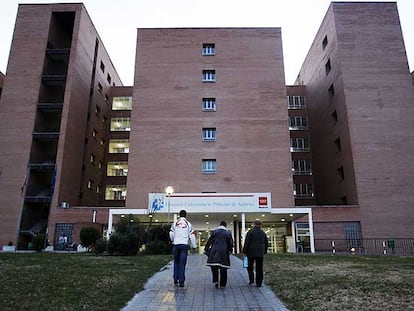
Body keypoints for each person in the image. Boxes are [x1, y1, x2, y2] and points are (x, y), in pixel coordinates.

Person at [169, 209, 197, 287]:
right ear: (185, 215)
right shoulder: (188, 224)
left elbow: (171, 233)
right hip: (184, 245)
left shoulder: (175, 223)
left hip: (176, 244)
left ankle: (175, 279)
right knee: (182, 263)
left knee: (176, 262)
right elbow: (192, 236)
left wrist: (173, 240)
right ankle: (181, 281)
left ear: (179, 215)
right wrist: (194, 246)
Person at [205, 221, 234, 288]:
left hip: (214, 251)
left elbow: (209, 241)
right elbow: (230, 243)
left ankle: (216, 281)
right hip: (224, 251)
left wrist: (206, 249)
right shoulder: (228, 233)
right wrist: (230, 250)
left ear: (219, 225)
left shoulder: (214, 232)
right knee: (223, 268)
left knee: (214, 266)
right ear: (225, 226)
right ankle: (222, 284)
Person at [242, 219, 269, 287]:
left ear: (254, 224)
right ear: (260, 225)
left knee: (249, 266)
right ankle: (259, 282)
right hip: (260, 252)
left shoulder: (250, 232)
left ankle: (251, 279)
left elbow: (247, 242)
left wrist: (244, 251)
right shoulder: (263, 233)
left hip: (250, 252)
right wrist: (265, 251)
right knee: (259, 268)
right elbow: (266, 243)